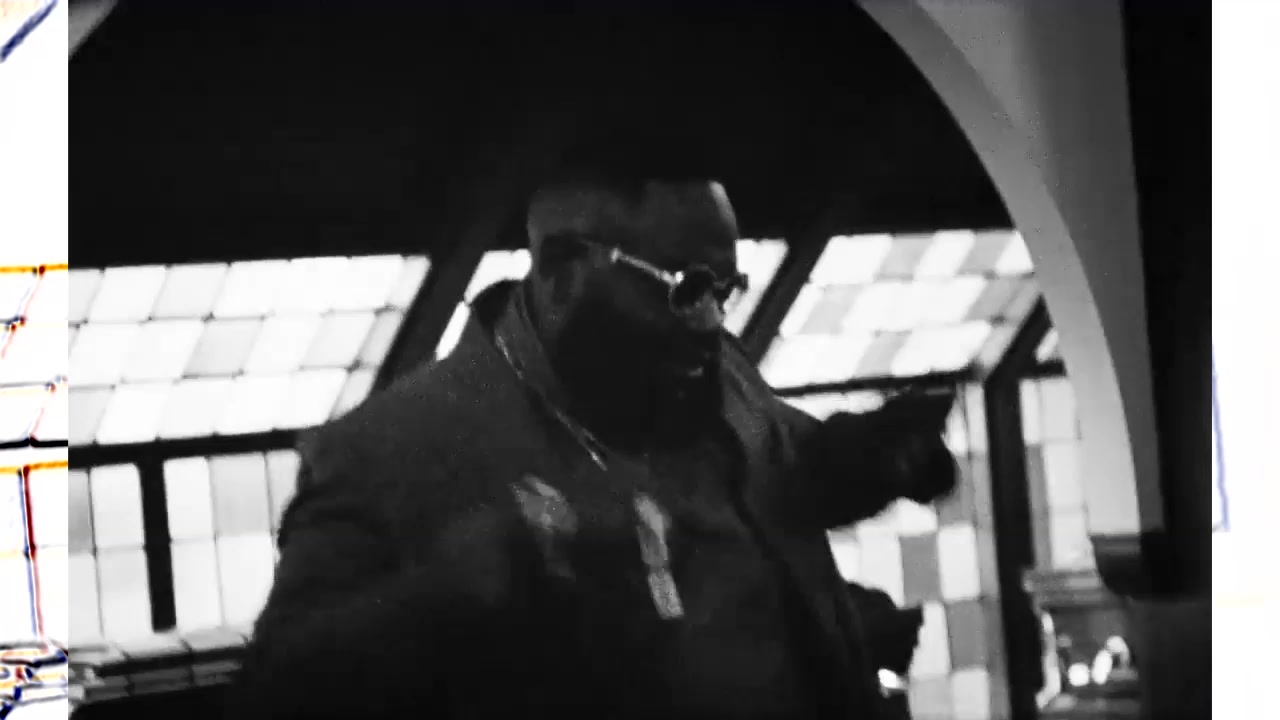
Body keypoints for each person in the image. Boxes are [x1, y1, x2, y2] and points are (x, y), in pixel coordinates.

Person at [228, 137, 959, 719]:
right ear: (563, 268)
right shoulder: (391, 450)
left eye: (724, 290)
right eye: (685, 288)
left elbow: (784, 469)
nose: (710, 323)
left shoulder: (710, 371)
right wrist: (451, 590)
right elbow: (277, 691)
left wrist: (870, 458)